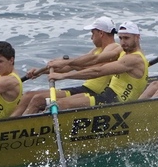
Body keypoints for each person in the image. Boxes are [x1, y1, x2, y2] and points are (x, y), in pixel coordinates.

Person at [19, 21, 148, 115]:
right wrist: (47, 69)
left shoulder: (133, 59)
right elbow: (93, 60)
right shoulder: (122, 51)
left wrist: (63, 75)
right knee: (52, 103)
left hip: (115, 102)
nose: (123, 42)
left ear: (137, 37)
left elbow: (98, 70)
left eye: (126, 38)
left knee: (56, 104)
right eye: (121, 38)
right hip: (105, 95)